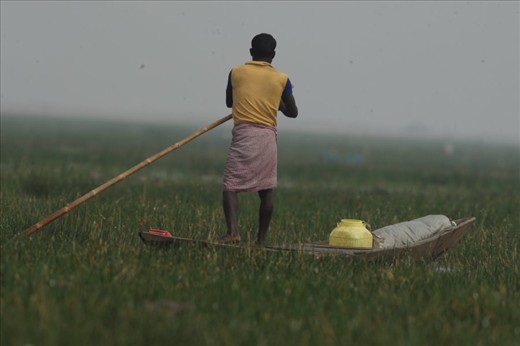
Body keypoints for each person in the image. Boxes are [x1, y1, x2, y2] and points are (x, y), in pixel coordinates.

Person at [218, 33, 299, 246]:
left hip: (244, 135)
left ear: (251, 53)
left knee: (231, 185)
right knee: (266, 189)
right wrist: (277, 104)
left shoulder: (236, 72)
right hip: (266, 137)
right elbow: (293, 112)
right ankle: (260, 241)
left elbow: (229, 102)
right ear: (273, 55)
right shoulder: (282, 79)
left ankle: (233, 232)